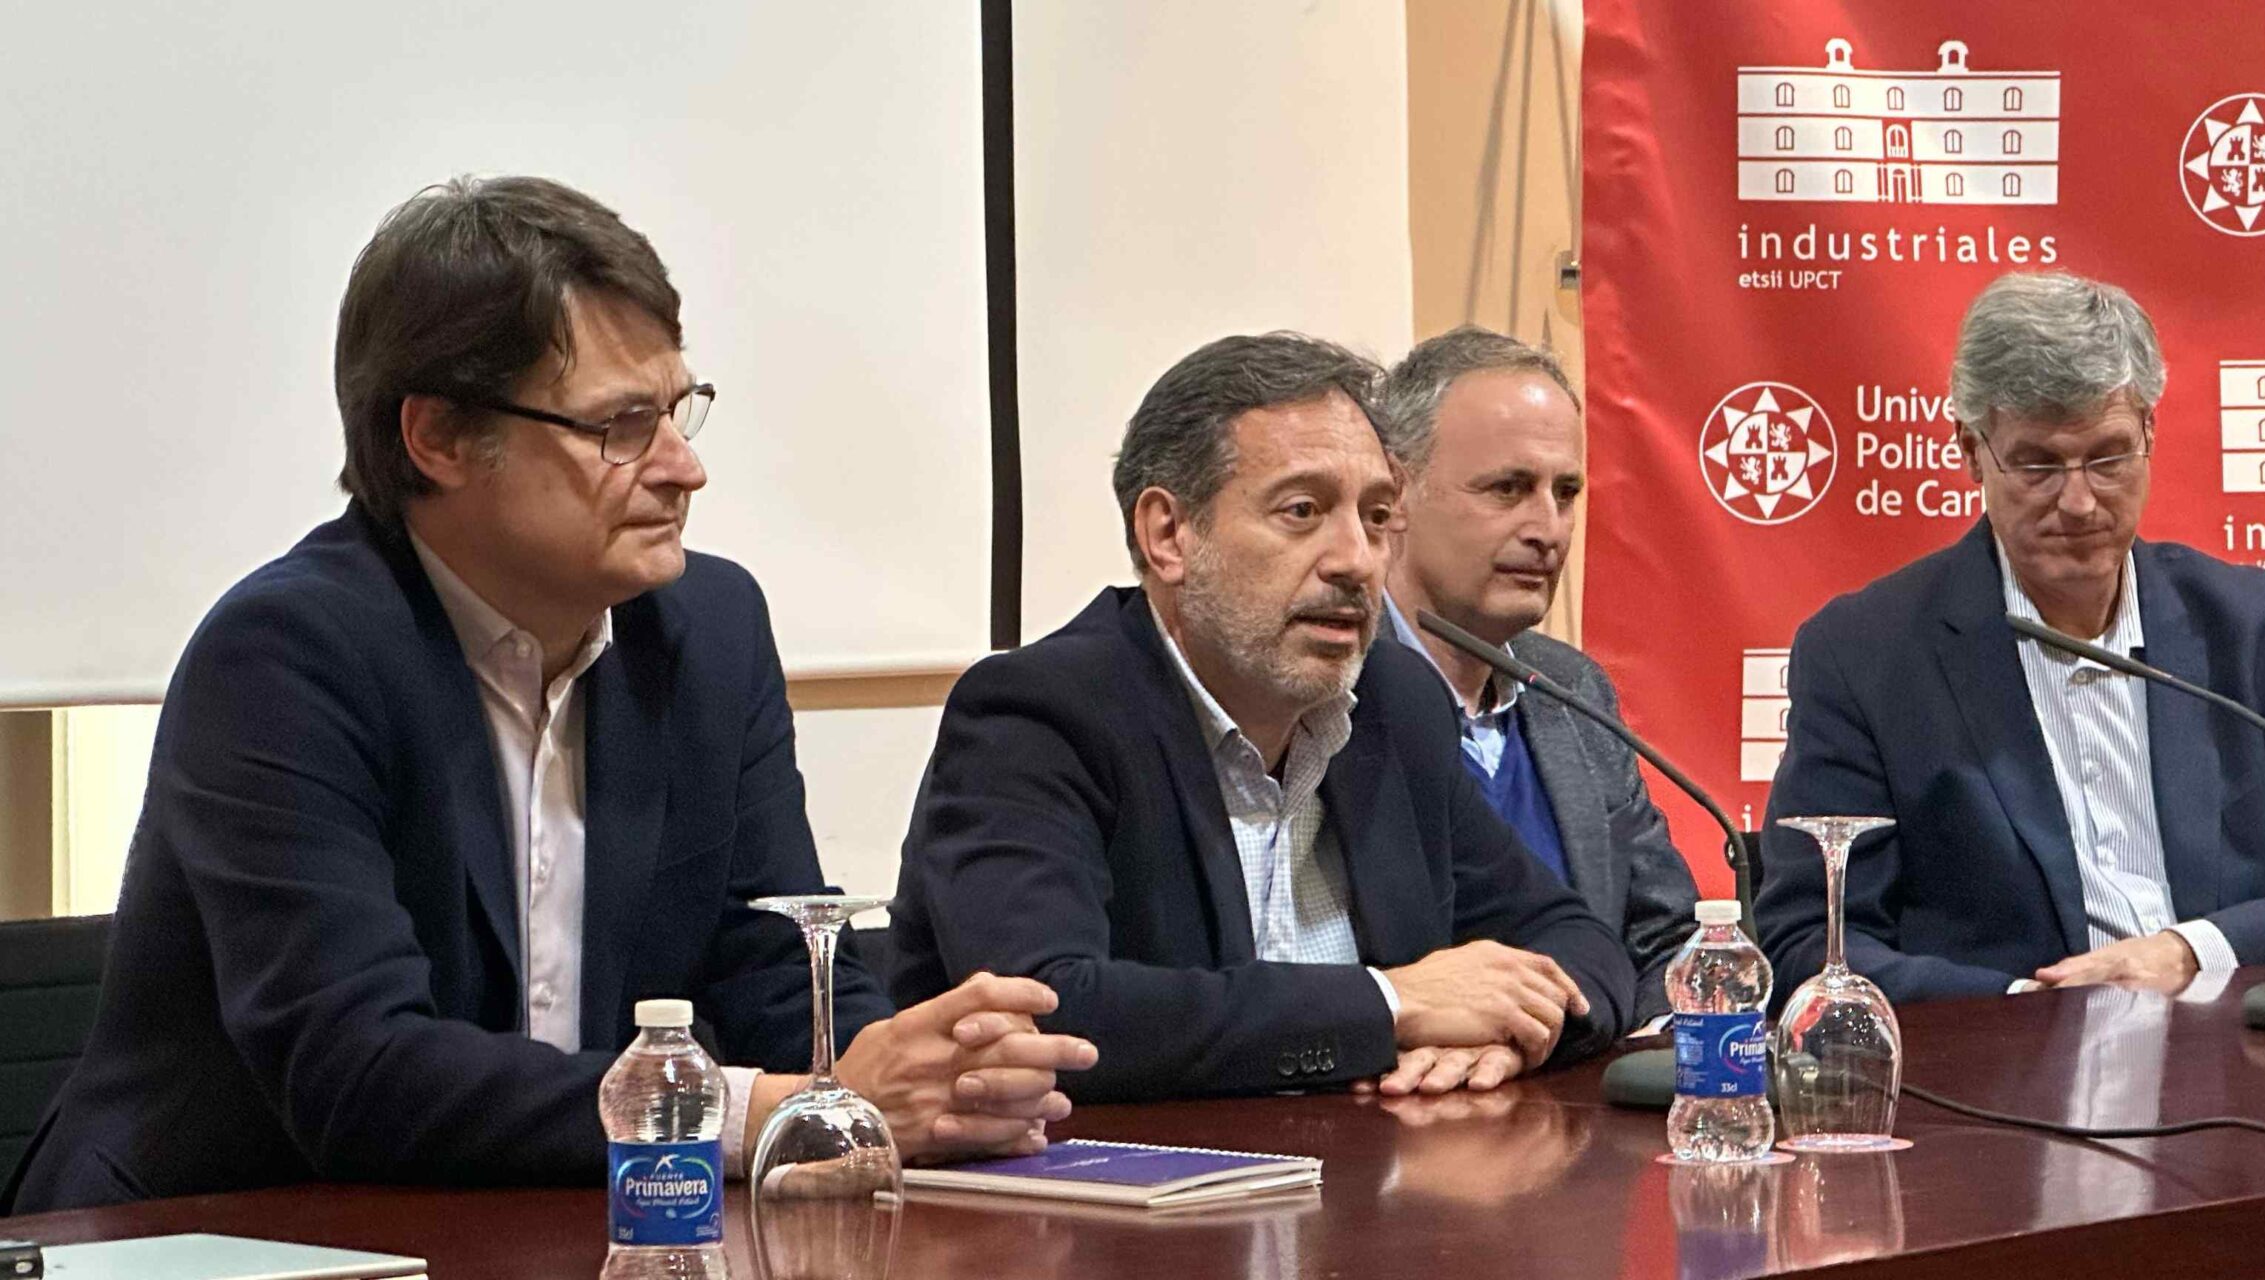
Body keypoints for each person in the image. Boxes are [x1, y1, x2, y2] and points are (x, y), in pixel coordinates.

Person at [7, 177, 1092, 1213]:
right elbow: (356, 1070)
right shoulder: (285, 657)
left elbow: (772, 973)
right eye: (621, 426)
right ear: (438, 437)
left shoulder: (708, 633)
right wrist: (775, 1112)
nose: (683, 468)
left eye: (680, 411)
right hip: (231, 1229)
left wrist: (929, 1081)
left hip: (566, 1216)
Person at [888, 332, 1635, 1101]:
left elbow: (1584, 947)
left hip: (1379, 1168)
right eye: (1303, 511)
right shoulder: (1041, 715)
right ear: (1169, 535)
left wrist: (1507, 1033)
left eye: (1377, 516)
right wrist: (1393, 1003)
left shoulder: (1393, 703)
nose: (1356, 560)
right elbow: (1048, 1014)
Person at [1759, 271, 2265, 1005]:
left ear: (2149, 433)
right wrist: (2032, 1006)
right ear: (1971, 451)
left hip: (2228, 1056)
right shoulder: (1866, 655)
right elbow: (1809, 940)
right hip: (1999, 1058)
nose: (2079, 500)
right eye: (2037, 464)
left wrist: (2191, 950)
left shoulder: (2253, 628)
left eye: (2108, 456)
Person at [1374, 326, 1700, 1024]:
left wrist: (1652, 1040)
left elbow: (1666, 937)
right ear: (1395, 493)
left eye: (1566, 492)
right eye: (1508, 488)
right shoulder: (1329, 692)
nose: (1548, 528)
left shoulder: (1573, 689)